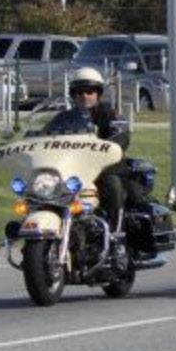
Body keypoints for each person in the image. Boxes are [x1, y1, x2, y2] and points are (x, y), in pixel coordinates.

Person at [41, 67, 131, 230]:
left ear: (98, 93)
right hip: (70, 169)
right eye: (79, 92)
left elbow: (121, 137)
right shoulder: (64, 118)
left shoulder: (111, 114)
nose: (84, 96)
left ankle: (115, 228)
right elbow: (44, 137)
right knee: (43, 186)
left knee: (112, 185)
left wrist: (110, 145)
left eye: (90, 91)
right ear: (73, 95)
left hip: (104, 169)